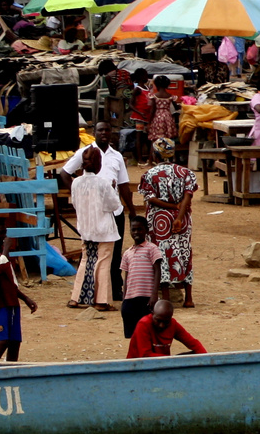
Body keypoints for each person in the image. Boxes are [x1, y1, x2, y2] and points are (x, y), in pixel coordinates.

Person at [59, 120, 135, 300]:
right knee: (93, 255)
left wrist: (131, 211)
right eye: (100, 130)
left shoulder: (116, 156)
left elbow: (123, 185)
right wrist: (80, 195)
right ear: (95, 132)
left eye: (107, 130)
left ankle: (114, 289)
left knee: (115, 254)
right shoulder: (86, 153)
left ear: (111, 133)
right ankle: (95, 292)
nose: (104, 133)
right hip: (94, 213)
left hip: (114, 212)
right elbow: (64, 173)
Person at [138, 139, 198, 307]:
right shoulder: (186, 173)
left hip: (159, 221)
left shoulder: (149, 175)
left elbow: (150, 198)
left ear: (155, 154)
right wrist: (179, 215)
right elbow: (188, 195)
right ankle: (188, 298)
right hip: (183, 218)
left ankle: (165, 296)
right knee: (184, 252)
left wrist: (170, 207)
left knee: (161, 255)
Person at [68, 147, 122, 312]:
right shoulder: (103, 183)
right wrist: (113, 188)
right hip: (104, 229)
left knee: (86, 261)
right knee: (103, 263)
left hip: (86, 228)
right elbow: (114, 205)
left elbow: (76, 204)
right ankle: (101, 300)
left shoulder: (76, 182)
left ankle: (76, 298)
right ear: (98, 164)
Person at [0, 218, 37, 362]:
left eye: (5, 233)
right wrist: (6, 248)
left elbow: (10, 280)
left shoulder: (0, 252)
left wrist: (25, 298)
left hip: (10, 301)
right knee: (2, 342)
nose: (5, 237)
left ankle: (11, 375)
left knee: (14, 342)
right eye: (1, 233)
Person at [118, 217, 163, 338]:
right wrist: (124, 298)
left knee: (148, 331)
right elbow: (126, 276)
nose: (136, 232)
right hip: (130, 298)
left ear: (146, 230)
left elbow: (157, 270)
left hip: (147, 298)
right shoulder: (127, 253)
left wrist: (154, 294)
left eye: (140, 229)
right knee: (133, 334)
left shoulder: (152, 248)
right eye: (134, 230)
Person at [125, 299, 206, 358]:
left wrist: (207, 358)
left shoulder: (173, 324)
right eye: (158, 321)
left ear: (170, 318)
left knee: (195, 354)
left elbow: (194, 343)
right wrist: (172, 360)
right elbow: (145, 355)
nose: (161, 325)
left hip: (163, 362)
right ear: (152, 314)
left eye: (166, 322)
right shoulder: (144, 324)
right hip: (139, 366)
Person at [147, 74, 179, 154]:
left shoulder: (154, 96)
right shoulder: (171, 96)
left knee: (155, 140)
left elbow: (152, 110)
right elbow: (177, 107)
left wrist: (149, 122)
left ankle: (151, 160)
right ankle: (169, 158)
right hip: (168, 117)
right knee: (168, 139)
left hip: (157, 118)